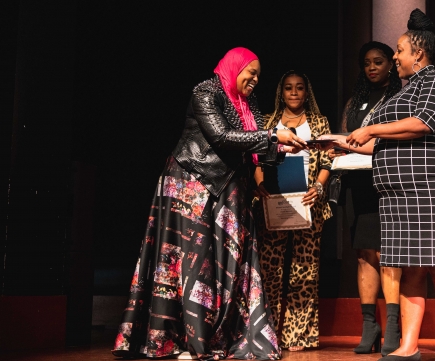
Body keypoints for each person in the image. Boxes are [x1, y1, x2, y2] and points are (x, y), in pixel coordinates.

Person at [112, 48, 306, 360]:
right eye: (250, 72)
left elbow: (254, 143)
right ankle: (187, 340)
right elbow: (222, 136)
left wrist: (283, 146)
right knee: (193, 262)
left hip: (227, 186)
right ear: (234, 67)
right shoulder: (206, 92)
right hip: (191, 183)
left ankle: (221, 334)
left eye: (259, 75)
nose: (255, 79)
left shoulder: (248, 102)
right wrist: (272, 135)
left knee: (229, 261)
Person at [323, 9, 435, 361]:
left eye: (400, 50)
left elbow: (423, 123)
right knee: (409, 265)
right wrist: (338, 141)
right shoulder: (403, 92)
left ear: (418, 53)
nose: (395, 57)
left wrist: (371, 128)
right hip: (397, 192)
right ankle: (408, 345)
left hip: (428, 182)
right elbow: (382, 143)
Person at [253, 70, 332, 351]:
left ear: (307, 92)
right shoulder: (267, 123)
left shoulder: (320, 123)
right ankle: (266, 332)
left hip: (308, 204)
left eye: (300, 88)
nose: (294, 92)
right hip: (273, 203)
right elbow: (257, 161)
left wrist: (319, 188)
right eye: (289, 88)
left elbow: (326, 162)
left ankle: (299, 334)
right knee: (270, 271)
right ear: (281, 92)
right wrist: (260, 185)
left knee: (304, 272)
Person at [337, 41, 403, 355]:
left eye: (378, 61)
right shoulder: (355, 102)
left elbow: (391, 143)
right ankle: (369, 325)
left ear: (391, 63)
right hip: (356, 184)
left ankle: (394, 325)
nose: (372, 67)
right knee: (364, 255)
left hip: (386, 182)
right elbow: (344, 136)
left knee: (387, 253)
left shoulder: (400, 98)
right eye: (367, 63)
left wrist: (347, 144)